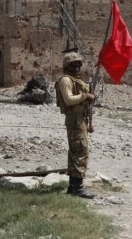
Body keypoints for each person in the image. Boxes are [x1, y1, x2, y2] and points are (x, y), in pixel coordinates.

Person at [55, 52, 96, 199]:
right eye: (74, 64)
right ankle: (77, 188)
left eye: (79, 64)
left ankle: (74, 186)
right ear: (67, 66)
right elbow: (68, 99)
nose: (77, 67)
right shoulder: (65, 80)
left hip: (81, 119)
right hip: (74, 120)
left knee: (77, 151)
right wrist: (85, 96)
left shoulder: (76, 80)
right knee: (80, 152)